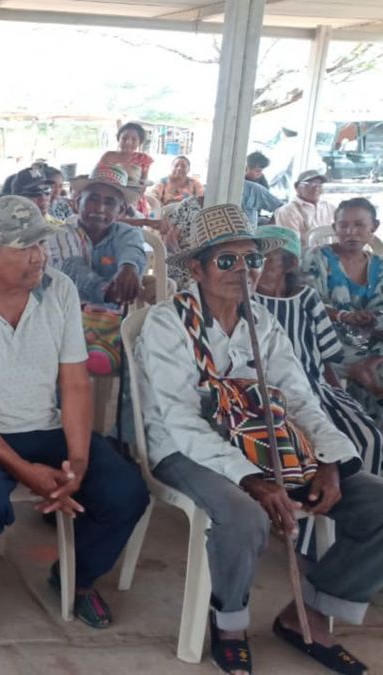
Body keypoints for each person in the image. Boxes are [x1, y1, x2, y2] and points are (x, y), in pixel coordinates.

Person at [136, 203, 383, 675]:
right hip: (186, 450)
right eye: (227, 261)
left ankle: (307, 614)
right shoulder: (167, 324)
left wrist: (330, 459)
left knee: (375, 502)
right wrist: (252, 478)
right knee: (243, 514)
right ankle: (228, 622)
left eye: (251, 260)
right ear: (197, 268)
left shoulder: (262, 323)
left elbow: (301, 399)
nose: (244, 271)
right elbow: (181, 422)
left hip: (268, 445)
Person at [0, 195, 149, 641]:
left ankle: (76, 576)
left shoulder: (58, 289)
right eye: (24, 247)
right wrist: (25, 472)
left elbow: (75, 383)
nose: (39, 256)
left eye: (40, 244)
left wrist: (77, 462)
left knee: (125, 491)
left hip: (40, 424)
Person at [254, 225, 383, 481]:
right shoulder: (249, 302)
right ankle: (310, 516)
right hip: (269, 394)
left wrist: (336, 394)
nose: (255, 266)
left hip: (316, 388)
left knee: (369, 438)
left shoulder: (307, 298)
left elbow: (325, 357)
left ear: (290, 263)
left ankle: (359, 510)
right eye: (254, 259)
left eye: (265, 259)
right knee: (303, 452)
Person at [303, 197, 383, 431]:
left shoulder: (379, 265)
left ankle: (370, 364)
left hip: (373, 339)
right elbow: (307, 303)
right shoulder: (317, 257)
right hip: (330, 338)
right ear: (335, 227)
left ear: (374, 228)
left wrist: (373, 320)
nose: (351, 232)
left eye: (359, 225)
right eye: (343, 225)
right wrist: (341, 316)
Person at [46, 164, 146, 306]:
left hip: (117, 320)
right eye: (93, 199)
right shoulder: (60, 234)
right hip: (67, 316)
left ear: (121, 210)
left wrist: (129, 267)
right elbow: (73, 269)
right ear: (78, 202)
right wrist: (105, 291)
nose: (99, 208)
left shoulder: (127, 233)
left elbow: (132, 250)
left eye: (109, 203)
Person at [99, 122, 153, 214]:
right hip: (109, 196)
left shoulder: (144, 159)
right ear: (118, 139)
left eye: (134, 139)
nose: (128, 142)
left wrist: (130, 201)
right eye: (124, 138)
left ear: (139, 142)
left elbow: (143, 184)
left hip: (134, 200)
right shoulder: (108, 156)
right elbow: (97, 176)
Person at [275, 170, 334, 245]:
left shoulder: (329, 207)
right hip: (305, 255)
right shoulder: (288, 211)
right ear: (297, 188)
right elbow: (291, 244)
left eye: (319, 184)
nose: (316, 187)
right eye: (311, 183)